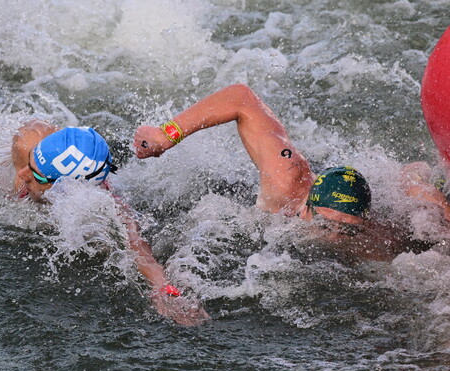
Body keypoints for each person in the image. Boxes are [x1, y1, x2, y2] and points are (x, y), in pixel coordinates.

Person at [133, 84, 447, 261]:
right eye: (325, 223)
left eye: (348, 229)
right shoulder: (287, 178)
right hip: (255, 194)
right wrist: (168, 133)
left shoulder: (378, 239)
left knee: (415, 189)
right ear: (307, 206)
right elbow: (242, 98)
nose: (335, 235)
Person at [12, 119, 210, 326]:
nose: (22, 173)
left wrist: (165, 291)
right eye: (29, 161)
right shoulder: (27, 141)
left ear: (68, 188)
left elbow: (140, 250)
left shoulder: (111, 204)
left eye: (36, 175)